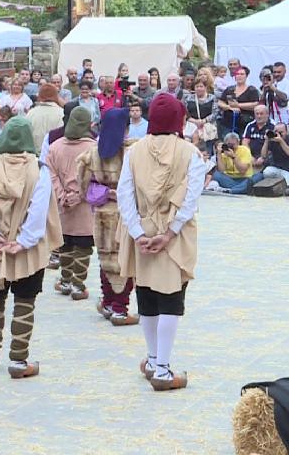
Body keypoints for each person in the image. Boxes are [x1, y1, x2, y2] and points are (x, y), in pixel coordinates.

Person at [116, 93, 205, 392]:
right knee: (171, 298)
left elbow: (124, 194)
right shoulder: (190, 152)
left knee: (147, 296)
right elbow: (191, 197)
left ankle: (154, 359)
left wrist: (137, 232)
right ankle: (164, 370)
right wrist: (169, 232)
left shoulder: (134, 151)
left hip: (142, 230)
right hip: (173, 235)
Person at [0, 115, 60, 378]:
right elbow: (39, 209)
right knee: (25, 300)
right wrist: (23, 241)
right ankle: (19, 361)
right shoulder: (38, 169)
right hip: (26, 249)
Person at [78, 108, 138, 326]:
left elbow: (82, 185)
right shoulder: (135, 151)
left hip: (103, 212)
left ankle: (108, 302)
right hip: (127, 213)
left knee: (105, 258)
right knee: (125, 259)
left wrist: (102, 192)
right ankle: (120, 309)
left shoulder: (92, 153)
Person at [47, 106, 96, 300]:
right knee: (83, 246)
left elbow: (50, 176)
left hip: (62, 206)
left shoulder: (55, 146)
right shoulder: (93, 148)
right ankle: (78, 284)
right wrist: (78, 195)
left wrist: (62, 195)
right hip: (84, 206)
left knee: (65, 243)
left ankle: (65, 280)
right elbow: (95, 177)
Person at [218, 67, 260, 137]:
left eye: (242, 74)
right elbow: (220, 102)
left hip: (244, 124)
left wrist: (238, 105)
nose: (239, 76)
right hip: (228, 124)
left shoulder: (252, 90)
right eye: (237, 74)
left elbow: (255, 105)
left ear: (246, 76)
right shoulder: (229, 89)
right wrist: (229, 107)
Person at [25, 84, 65, 153]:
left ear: (39, 95)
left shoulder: (31, 113)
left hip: (35, 156)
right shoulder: (62, 113)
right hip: (54, 156)